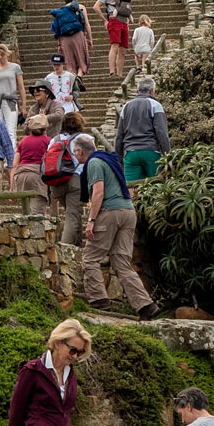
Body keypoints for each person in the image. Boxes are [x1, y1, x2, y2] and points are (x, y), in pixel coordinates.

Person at [70, 133, 157, 319]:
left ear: (79, 151)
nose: (75, 156)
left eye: (74, 152)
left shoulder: (93, 163)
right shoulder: (109, 160)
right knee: (121, 262)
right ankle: (145, 306)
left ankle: (99, 301)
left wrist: (91, 220)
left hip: (110, 212)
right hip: (128, 211)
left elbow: (98, 192)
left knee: (90, 258)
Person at [44, 111, 88, 247]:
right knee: (72, 214)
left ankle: (78, 244)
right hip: (75, 179)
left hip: (57, 181)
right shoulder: (85, 138)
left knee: (73, 212)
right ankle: (65, 248)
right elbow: (91, 160)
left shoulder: (54, 140)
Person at [116, 76, 171, 184]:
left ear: (137, 91)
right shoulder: (155, 105)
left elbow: (119, 136)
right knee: (156, 186)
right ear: (152, 91)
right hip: (151, 152)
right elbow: (162, 133)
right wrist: (167, 155)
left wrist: (119, 158)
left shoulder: (126, 107)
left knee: (131, 188)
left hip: (131, 153)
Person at [0, 42, 26, 145]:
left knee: (10, 130)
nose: (0, 57)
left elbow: (21, 87)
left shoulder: (15, 67)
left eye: (2, 54)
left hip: (10, 100)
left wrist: (24, 105)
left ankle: (11, 159)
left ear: (7, 54)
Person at [9, 113, 50, 207]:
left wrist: (12, 189)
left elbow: (14, 165)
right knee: (37, 211)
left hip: (21, 175)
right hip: (37, 175)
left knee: (26, 210)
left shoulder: (23, 141)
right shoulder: (48, 141)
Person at [106, 0, 132, 77]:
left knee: (123, 49)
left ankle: (119, 73)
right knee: (115, 45)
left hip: (124, 23)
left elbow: (128, 12)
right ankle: (112, 71)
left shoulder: (126, 3)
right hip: (115, 21)